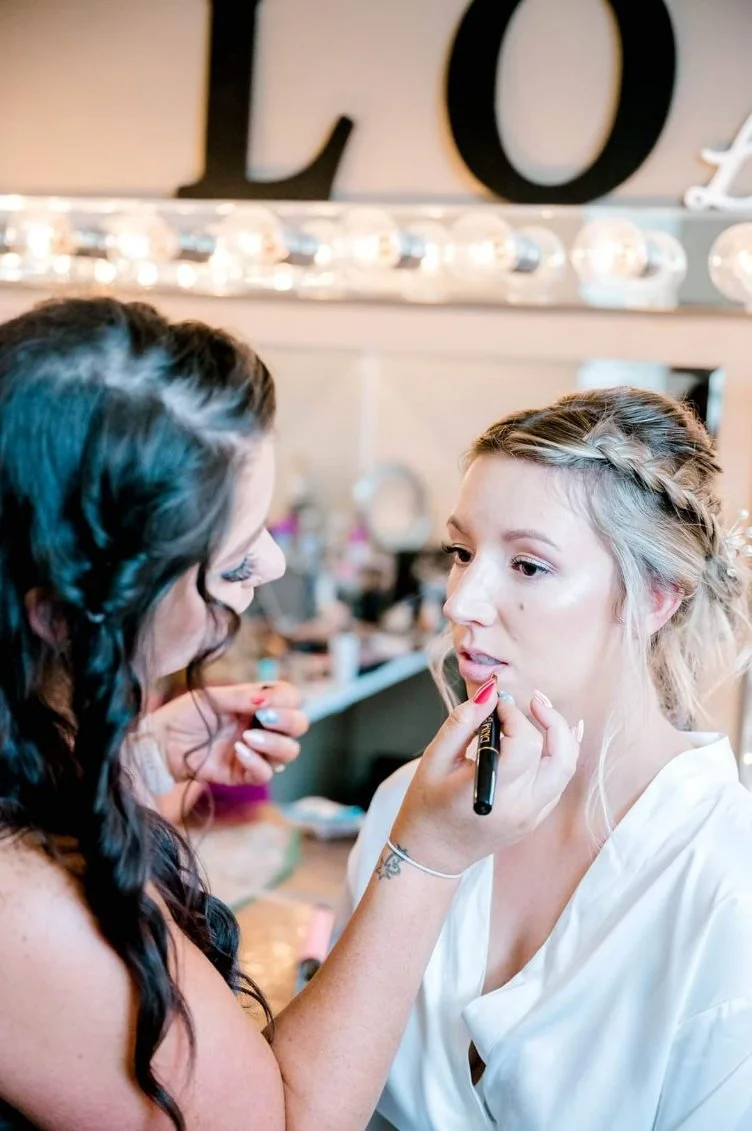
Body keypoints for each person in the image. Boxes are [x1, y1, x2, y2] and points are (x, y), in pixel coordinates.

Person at [0, 297, 579, 1131]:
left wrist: (140, 759)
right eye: (235, 561)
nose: (272, 564)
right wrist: (426, 857)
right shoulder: (31, 909)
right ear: (61, 613)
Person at [341, 386, 752, 1131]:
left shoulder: (729, 880)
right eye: (462, 553)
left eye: (528, 565)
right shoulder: (410, 808)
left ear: (655, 597)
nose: (461, 603)